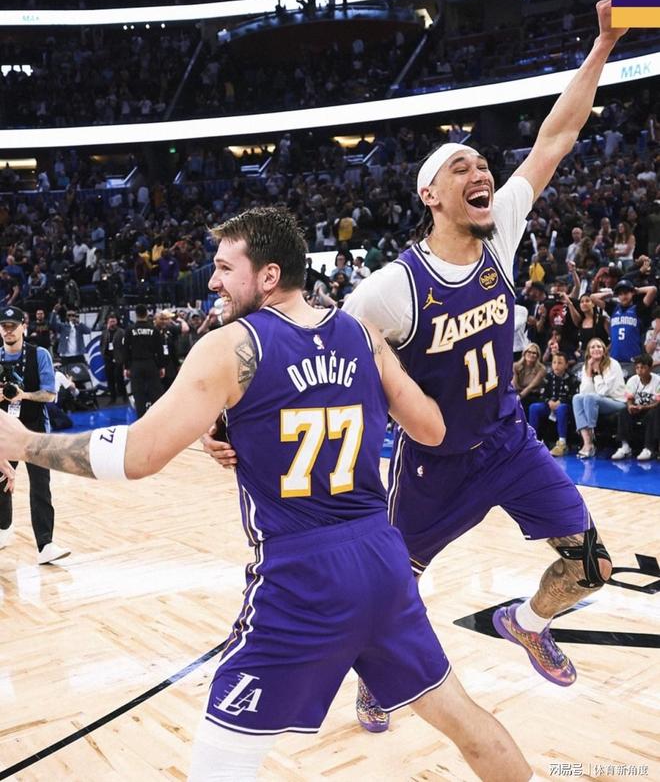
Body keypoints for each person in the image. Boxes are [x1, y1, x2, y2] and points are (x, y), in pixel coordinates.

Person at [0, 208, 534, 782]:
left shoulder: (231, 346)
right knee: (461, 717)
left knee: (220, 761)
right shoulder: (362, 335)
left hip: (302, 574)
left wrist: (24, 442)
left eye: (224, 268)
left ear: (269, 275)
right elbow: (431, 428)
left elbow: (139, 454)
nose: (212, 281)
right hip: (383, 558)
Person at [337, 0, 626, 728]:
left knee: (593, 566)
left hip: (509, 441)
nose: (481, 171)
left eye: (483, 164)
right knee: (391, 591)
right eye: (460, 165)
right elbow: (322, 353)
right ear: (430, 194)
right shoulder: (392, 288)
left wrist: (603, 44)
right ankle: (375, 674)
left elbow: (557, 135)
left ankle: (526, 622)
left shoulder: (500, 234)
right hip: (434, 464)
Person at [0, 306, 68, 563]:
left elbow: (49, 394)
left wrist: (24, 395)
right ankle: (4, 529)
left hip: (34, 428)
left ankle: (45, 545)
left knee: (40, 486)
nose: (8, 330)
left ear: (23, 327)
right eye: (4, 326)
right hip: (5, 429)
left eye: (13, 326)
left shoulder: (39, 355)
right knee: (1, 481)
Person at [571, 338, 626, 458]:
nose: (596, 349)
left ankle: (591, 435)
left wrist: (597, 373)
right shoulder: (587, 365)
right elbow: (584, 392)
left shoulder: (613, 364)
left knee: (590, 398)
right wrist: (589, 371)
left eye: (599, 346)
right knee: (577, 398)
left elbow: (602, 392)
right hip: (597, 401)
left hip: (617, 401)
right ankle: (587, 443)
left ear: (604, 350)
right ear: (588, 351)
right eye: (593, 347)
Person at [591, 279, 657, 363]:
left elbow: (653, 289)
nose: (623, 296)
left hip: (634, 359)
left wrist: (637, 290)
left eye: (626, 293)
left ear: (632, 293)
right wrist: (611, 294)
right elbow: (593, 297)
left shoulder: (638, 309)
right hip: (614, 359)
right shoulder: (613, 308)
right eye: (620, 294)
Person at [610, 352, 660, 461]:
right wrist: (630, 406)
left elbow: (658, 402)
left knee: (655, 411)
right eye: (637, 368)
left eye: (643, 367)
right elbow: (629, 398)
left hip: (651, 409)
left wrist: (643, 408)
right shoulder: (633, 380)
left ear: (650, 368)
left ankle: (648, 448)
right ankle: (625, 447)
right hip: (637, 409)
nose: (640, 370)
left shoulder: (658, 380)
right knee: (623, 411)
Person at [527, 352, 578, 457]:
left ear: (566, 365)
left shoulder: (572, 378)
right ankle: (533, 440)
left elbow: (573, 396)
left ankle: (562, 443)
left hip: (565, 407)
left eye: (560, 363)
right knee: (534, 407)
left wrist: (560, 402)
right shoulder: (548, 377)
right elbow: (542, 394)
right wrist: (548, 401)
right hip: (549, 405)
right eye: (554, 362)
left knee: (562, 408)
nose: (556, 365)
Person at [123, 304, 164, 418]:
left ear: (136, 314)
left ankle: (141, 418)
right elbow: (159, 350)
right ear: (146, 314)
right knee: (155, 392)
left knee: (138, 393)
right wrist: (161, 366)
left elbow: (125, 350)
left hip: (136, 364)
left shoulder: (130, 330)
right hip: (151, 363)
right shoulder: (154, 330)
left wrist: (127, 367)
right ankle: (157, 417)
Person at [100, 313, 127, 404]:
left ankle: (124, 396)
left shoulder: (121, 332)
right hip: (108, 358)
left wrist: (123, 357)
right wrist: (103, 353)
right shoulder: (104, 332)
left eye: (114, 321)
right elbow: (101, 344)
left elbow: (125, 345)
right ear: (108, 322)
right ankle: (113, 397)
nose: (112, 323)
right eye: (110, 321)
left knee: (119, 378)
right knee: (110, 379)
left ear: (117, 322)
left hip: (118, 358)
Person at [512, 343, 546, 415]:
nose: (531, 354)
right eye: (529, 352)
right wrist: (517, 396)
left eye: (534, 353)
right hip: (517, 393)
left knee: (522, 402)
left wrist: (519, 397)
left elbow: (531, 387)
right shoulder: (515, 366)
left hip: (533, 395)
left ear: (537, 356)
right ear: (524, 353)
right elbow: (515, 385)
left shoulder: (541, 369)